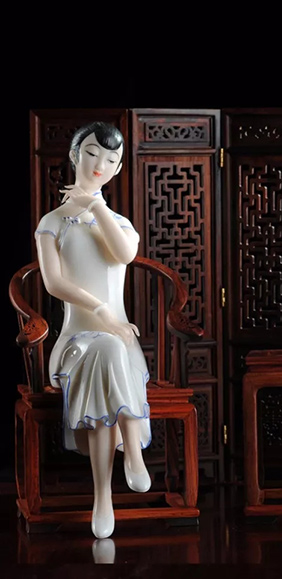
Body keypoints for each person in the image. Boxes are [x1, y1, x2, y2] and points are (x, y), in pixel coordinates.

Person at [35, 122, 151, 539]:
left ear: (118, 169)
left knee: (112, 350)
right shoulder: (52, 222)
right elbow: (54, 283)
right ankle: (130, 452)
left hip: (118, 343)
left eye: (111, 159)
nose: (99, 163)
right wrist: (103, 312)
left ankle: (104, 496)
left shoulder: (121, 224)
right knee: (106, 348)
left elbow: (124, 253)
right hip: (75, 342)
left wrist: (95, 206)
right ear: (74, 155)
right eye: (91, 153)